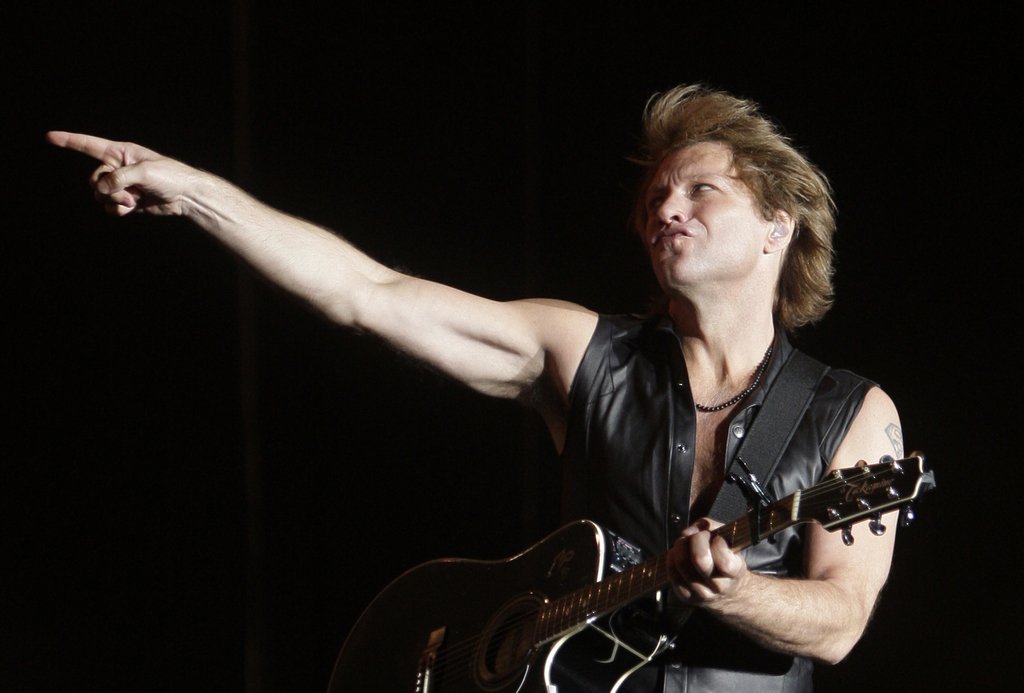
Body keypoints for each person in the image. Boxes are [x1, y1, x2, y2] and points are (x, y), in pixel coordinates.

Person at [48, 83, 904, 691]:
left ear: (777, 226)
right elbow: (369, 295)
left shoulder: (853, 413)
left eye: (699, 190)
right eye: (654, 197)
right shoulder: (585, 352)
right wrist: (196, 195)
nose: (663, 209)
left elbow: (841, 619)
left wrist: (737, 589)